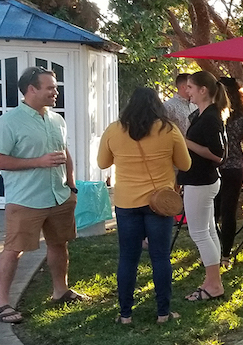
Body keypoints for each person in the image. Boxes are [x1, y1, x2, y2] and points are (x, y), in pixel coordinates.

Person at [0, 67, 88, 324]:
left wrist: (71, 186)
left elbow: (64, 153)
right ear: (31, 90)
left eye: (55, 87)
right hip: (26, 199)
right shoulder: (9, 122)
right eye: (50, 87)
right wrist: (38, 161)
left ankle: (60, 291)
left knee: (59, 244)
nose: (55, 92)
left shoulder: (56, 119)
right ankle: (2, 303)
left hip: (59, 196)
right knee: (13, 250)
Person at [97, 87, 191, 324]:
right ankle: (163, 313)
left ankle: (125, 314)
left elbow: (102, 162)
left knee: (128, 257)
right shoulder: (169, 130)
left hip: (126, 202)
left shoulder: (114, 129)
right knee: (160, 257)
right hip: (159, 203)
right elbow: (185, 164)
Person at [179, 71, 228, 301]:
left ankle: (214, 284)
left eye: (190, 87)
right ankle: (212, 281)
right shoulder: (201, 115)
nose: (187, 91)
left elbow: (219, 155)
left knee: (199, 233)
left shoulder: (211, 117)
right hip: (198, 179)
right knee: (208, 232)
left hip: (202, 181)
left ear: (203, 90)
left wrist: (185, 142)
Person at [215, 77, 243, 268]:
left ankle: (211, 250)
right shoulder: (242, 120)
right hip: (233, 168)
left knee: (211, 212)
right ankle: (225, 254)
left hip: (211, 168)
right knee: (228, 212)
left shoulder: (207, 116)